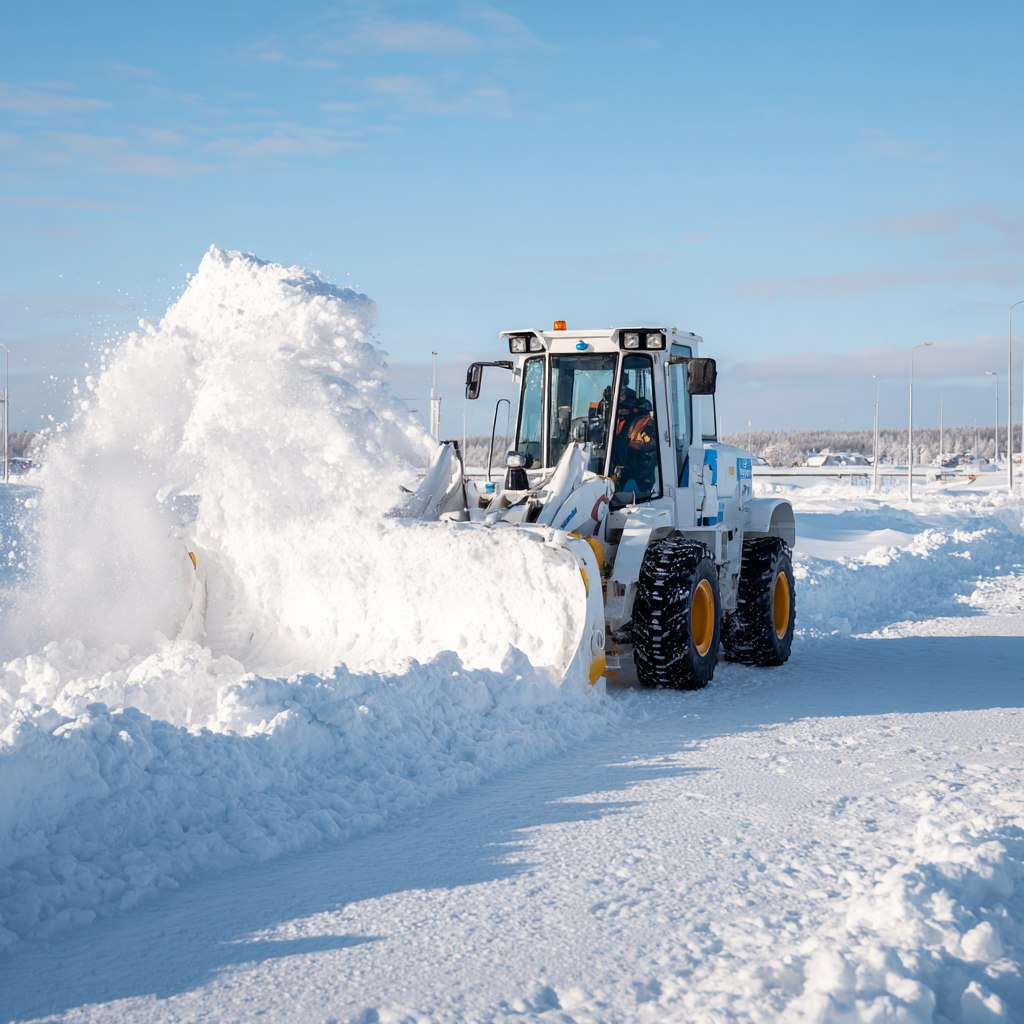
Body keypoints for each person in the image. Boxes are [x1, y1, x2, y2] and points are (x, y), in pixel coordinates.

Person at [611, 385, 656, 494]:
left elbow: (649, 445)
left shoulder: (647, 423)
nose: (621, 411)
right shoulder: (619, 422)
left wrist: (627, 443)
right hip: (618, 478)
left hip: (640, 482)